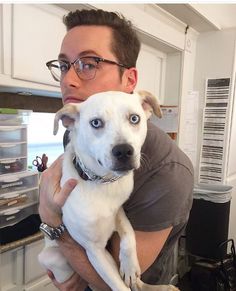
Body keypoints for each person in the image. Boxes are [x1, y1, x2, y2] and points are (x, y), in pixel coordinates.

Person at [39, 8, 194, 291]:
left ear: (130, 81)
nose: (69, 80)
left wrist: (50, 218)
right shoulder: (79, 133)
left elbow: (104, 285)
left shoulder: (169, 173)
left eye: (89, 63)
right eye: (64, 66)